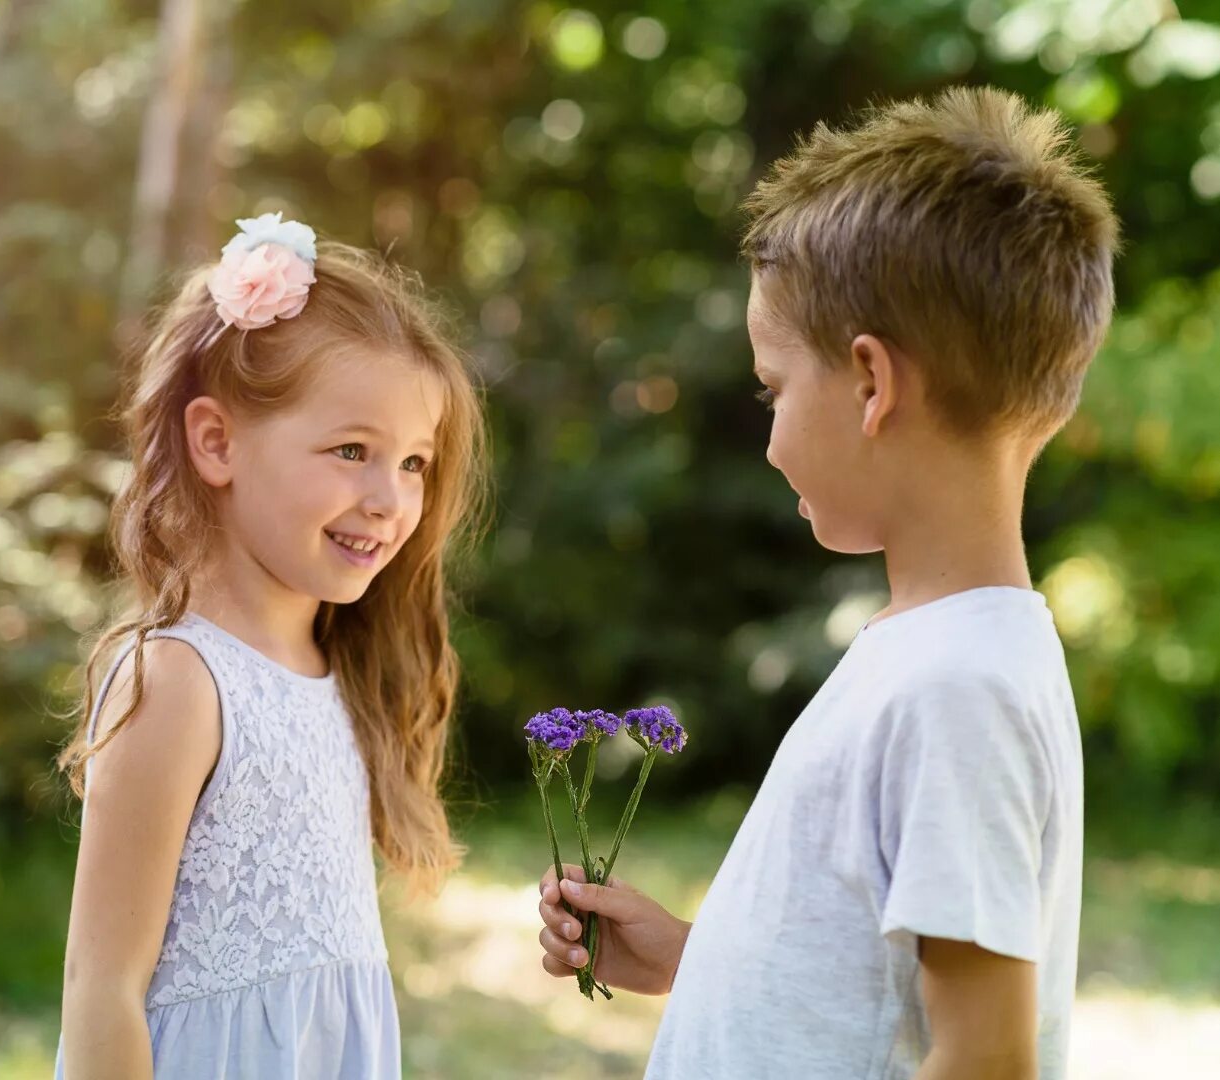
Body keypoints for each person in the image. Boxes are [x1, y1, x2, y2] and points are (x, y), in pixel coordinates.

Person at [536, 86, 1119, 1080]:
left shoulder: (958, 689)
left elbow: (985, 1058)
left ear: (871, 383)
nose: (766, 438)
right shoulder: (931, 652)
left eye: (773, 387)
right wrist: (697, 956)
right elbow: (873, 981)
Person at [55, 211, 486, 1079]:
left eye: (412, 463)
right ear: (217, 442)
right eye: (351, 450)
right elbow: (100, 990)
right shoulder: (177, 679)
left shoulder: (336, 672)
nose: (388, 499)